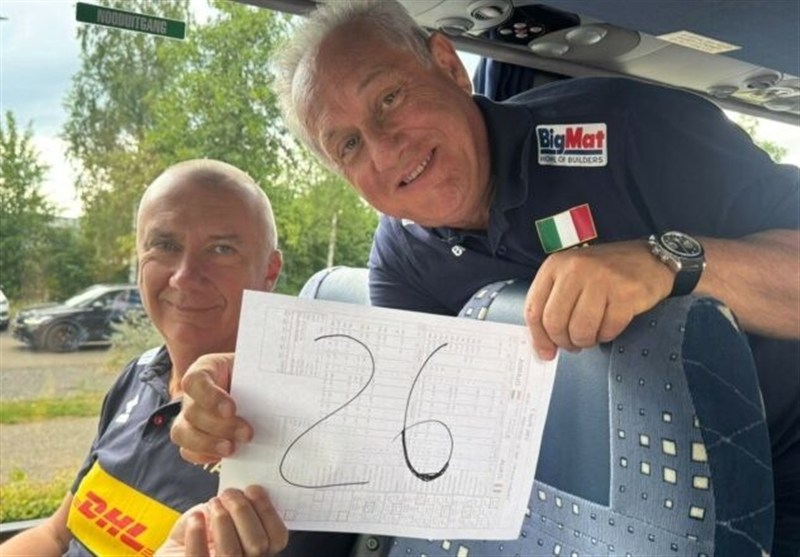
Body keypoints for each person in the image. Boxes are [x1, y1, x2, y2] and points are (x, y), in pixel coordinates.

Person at [170, 0, 800, 554]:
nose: (386, 149)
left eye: (388, 98)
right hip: (616, 515)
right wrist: (258, 398)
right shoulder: (403, 254)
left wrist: (666, 260)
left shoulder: (630, 128)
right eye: (350, 146)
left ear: (448, 65)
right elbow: (399, 419)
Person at [0, 159, 287, 556]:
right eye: (165, 246)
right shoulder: (139, 375)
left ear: (269, 272)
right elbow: (57, 534)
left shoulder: (283, 430)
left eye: (222, 249)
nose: (184, 276)